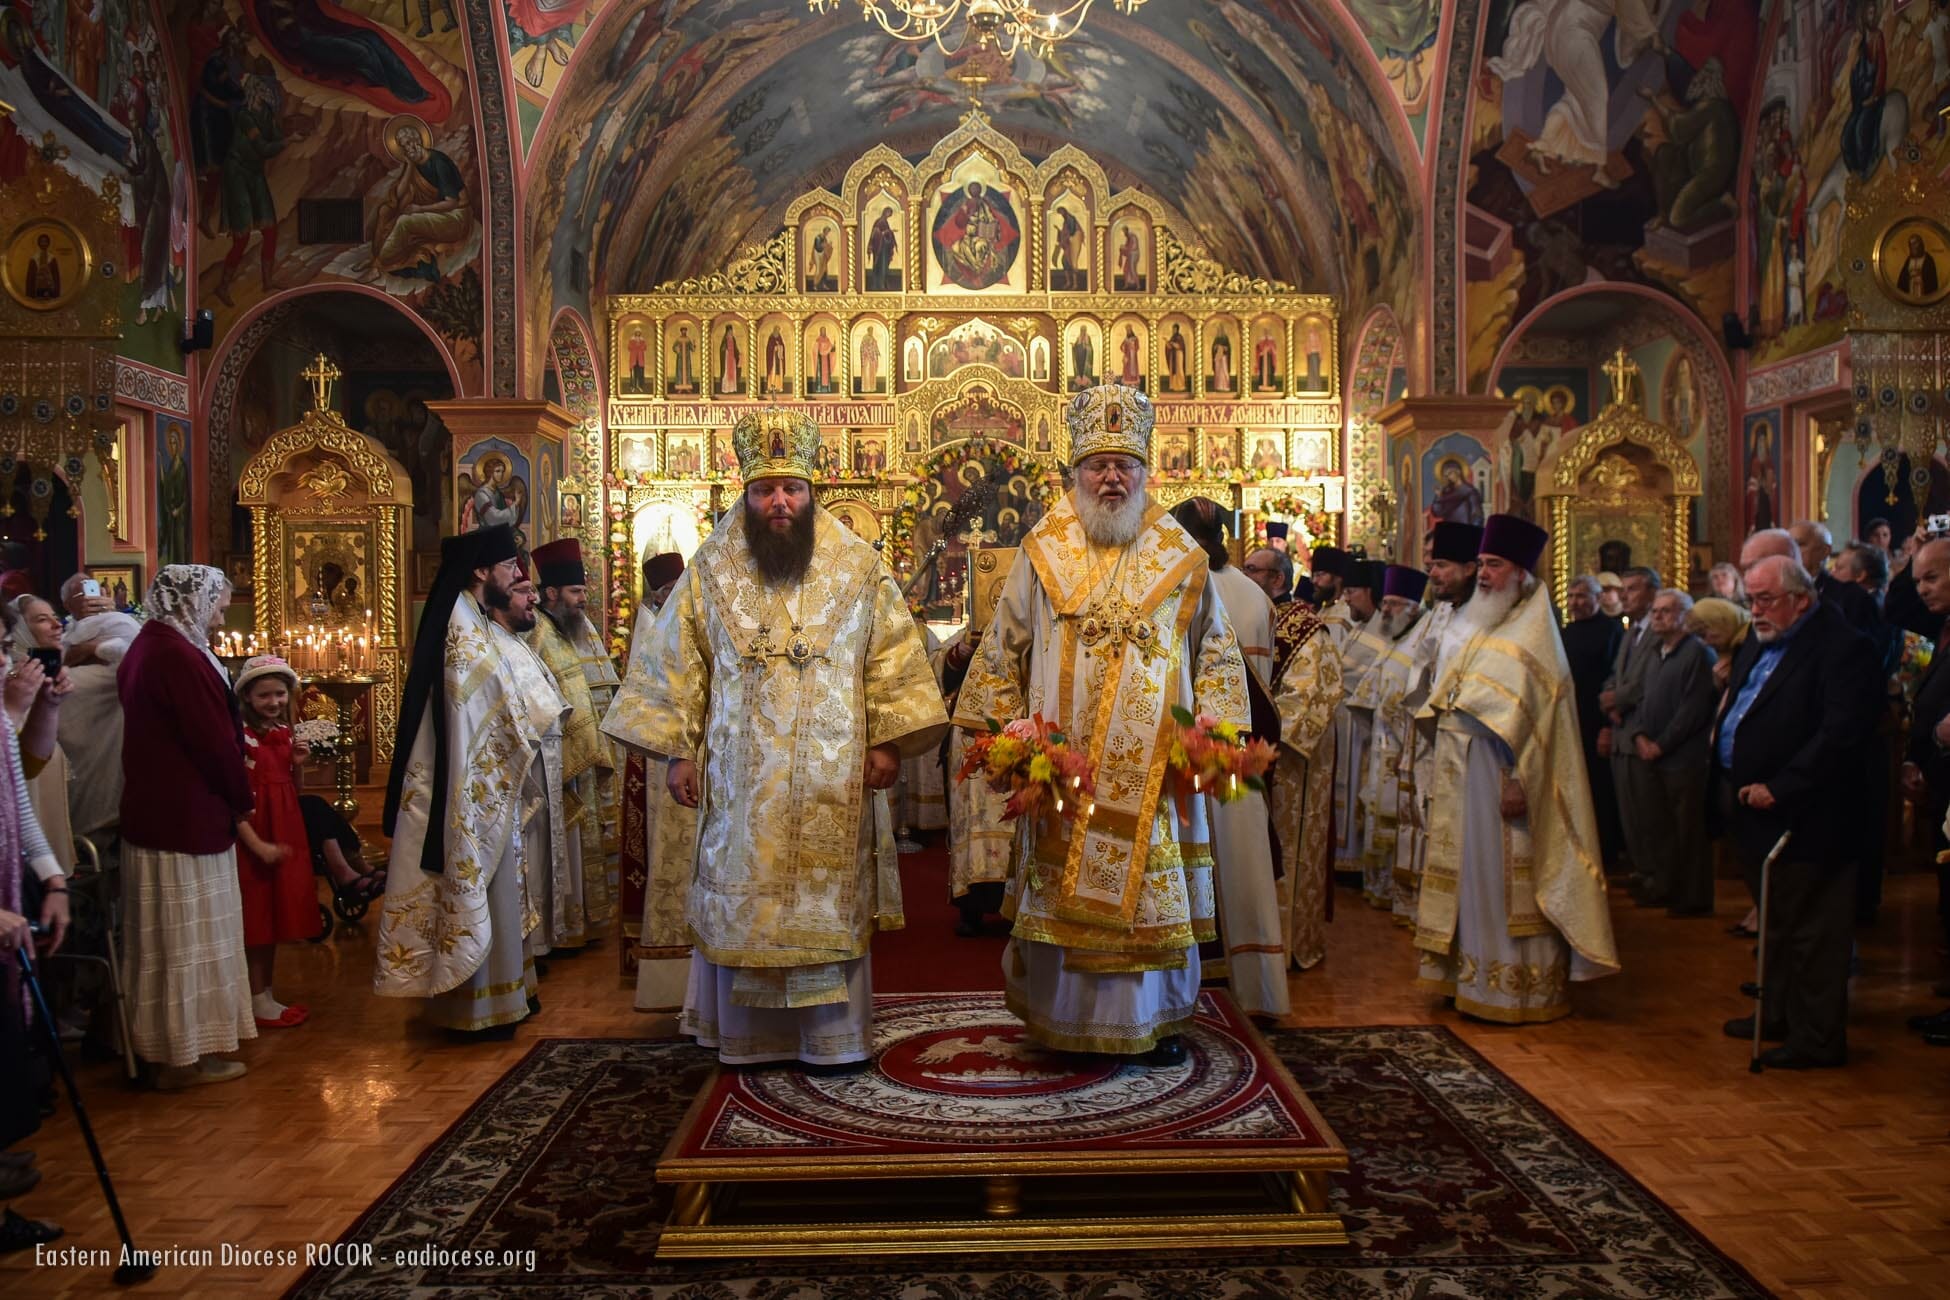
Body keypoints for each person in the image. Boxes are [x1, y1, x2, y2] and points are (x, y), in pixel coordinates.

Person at [605, 409, 947, 1069]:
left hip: (832, 779)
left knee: (827, 904)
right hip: (740, 781)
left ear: (812, 491)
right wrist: (680, 749)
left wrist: (887, 743)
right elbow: (678, 663)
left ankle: (830, 1039)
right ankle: (746, 1038)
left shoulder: (858, 567)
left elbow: (892, 659)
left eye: (791, 487)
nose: (780, 502)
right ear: (746, 493)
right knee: (743, 902)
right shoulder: (710, 568)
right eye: (765, 490)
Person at [956, 385, 1248, 1064]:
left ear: (1148, 473)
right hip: (1066, 769)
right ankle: (1065, 1022)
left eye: (1125, 464)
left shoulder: (1181, 556)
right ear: (1074, 475)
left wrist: (1214, 729)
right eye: (1097, 464)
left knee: (1150, 899)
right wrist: (1007, 740)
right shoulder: (1043, 551)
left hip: (1153, 766)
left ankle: (1157, 1022)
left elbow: (1217, 650)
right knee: (1063, 900)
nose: (1111, 477)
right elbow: (1002, 649)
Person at [1414, 514, 1619, 1022]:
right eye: (1481, 563)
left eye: (1494, 565)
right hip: (1466, 773)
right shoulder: (1485, 624)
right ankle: (1470, 977)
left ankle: (1518, 990)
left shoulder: (1533, 638)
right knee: (1469, 880)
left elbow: (1540, 731)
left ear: (1522, 574)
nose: (1483, 574)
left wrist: (1517, 780)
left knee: (1506, 886)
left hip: (1502, 779)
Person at [374, 525, 556, 1039]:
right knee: (477, 882)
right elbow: (478, 709)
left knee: (498, 884)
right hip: (467, 786)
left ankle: (508, 994)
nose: (517, 576)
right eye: (508, 567)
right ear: (482, 572)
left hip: (482, 779)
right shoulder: (460, 622)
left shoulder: (470, 617)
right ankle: (475, 1009)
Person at [1714, 556, 1879, 1067]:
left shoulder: (1843, 648)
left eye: (1765, 600)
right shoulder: (1762, 640)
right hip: (1754, 808)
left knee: (1814, 932)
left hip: (1811, 814)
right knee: (1778, 923)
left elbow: (1840, 736)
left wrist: (1782, 787)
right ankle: (1777, 1013)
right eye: (1750, 600)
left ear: (1801, 600)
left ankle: (1818, 1037)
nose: (1755, 610)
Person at [118, 566, 255, 1086]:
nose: (222, 615)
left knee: (164, 943)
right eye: (217, 604)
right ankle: (184, 1056)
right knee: (186, 944)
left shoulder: (149, 648)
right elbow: (212, 742)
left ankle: (172, 1050)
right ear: (190, 602)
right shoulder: (175, 657)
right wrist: (242, 799)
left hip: (160, 814)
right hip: (185, 817)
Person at [1172, 497, 1286, 1019]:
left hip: (1193, 747)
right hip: (1243, 750)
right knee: (1244, 866)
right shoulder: (1255, 594)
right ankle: (1256, 987)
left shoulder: (1179, 584)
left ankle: (1185, 987)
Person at [526, 539, 616, 951]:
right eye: (576, 592)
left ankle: (582, 924)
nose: (583, 600)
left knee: (583, 845)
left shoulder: (571, 629)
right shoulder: (537, 635)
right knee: (562, 847)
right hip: (555, 760)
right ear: (551, 594)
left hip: (580, 752)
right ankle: (561, 929)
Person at [618, 551, 695, 1010]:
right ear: (664, 594)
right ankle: (674, 979)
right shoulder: (656, 631)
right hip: (671, 767)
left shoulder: (666, 624)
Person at [492, 556, 577, 962]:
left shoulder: (519, 641)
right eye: (522, 593)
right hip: (528, 770)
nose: (532, 601)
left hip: (546, 761)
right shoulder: (494, 642)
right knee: (533, 853)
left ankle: (542, 939)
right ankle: (533, 943)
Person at [230, 656, 317, 1028]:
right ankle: (252, 995)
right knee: (257, 917)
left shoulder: (284, 730)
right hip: (257, 831)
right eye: (265, 695)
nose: (274, 702)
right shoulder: (243, 739)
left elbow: (292, 790)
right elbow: (237, 800)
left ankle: (264, 993)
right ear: (248, 697)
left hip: (285, 825)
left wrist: (298, 764)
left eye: (280, 694)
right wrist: (257, 845)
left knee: (277, 914)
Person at [1355, 565, 1436, 924]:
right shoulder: (1398, 639)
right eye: (1384, 603)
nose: (1385, 610)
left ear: (1413, 607)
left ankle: (1402, 894)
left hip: (1408, 747)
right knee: (1382, 815)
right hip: (1385, 744)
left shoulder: (1420, 641)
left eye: (1393, 603)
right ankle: (1381, 888)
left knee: (1403, 821)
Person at [1271, 564, 1341, 972]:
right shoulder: (1253, 612)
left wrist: (1264, 736)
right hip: (1250, 759)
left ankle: (1291, 940)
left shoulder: (1306, 628)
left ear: (1277, 578)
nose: (1244, 574)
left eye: (1252, 569)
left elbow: (1315, 691)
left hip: (1288, 765)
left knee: (1289, 849)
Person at [1632, 591, 1717, 916]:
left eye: (1666, 611)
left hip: (1684, 758)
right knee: (1660, 828)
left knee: (1688, 831)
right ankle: (1665, 887)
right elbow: (1643, 698)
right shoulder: (1656, 652)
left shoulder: (1698, 653)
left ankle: (1693, 897)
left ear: (1684, 615)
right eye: (1654, 611)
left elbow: (1692, 710)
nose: (1657, 616)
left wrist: (1661, 744)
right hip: (1652, 753)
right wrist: (1639, 734)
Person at [1601, 566, 1662, 900]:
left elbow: (1644, 682)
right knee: (1629, 811)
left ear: (1652, 592)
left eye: (1633, 589)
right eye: (1622, 589)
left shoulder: (1657, 629)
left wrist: (1617, 699)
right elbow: (1616, 674)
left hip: (1642, 729)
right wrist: (1607, 697)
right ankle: (1641, 869)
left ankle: (1657, 875)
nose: (1625, 596)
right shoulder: (1631, 630)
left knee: (1649, 811)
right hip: (1621, 730)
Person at [1560, 575, 1624, 871]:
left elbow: (1613, 681)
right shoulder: (1565, 632)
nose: (1576, 602)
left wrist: (1607, 726)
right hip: (1570, 720)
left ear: (1598, 599)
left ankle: (1607, 853)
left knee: (1601, 787)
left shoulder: (1612, 631)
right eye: (1572, 596)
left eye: (1583, 596)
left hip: (1597, 721)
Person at [1332, 560, 1387, 890]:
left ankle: (1353, 859)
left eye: (1351, 592)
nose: (1347, 599)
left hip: (1361, 732)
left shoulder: (1382, 630)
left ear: (1370, 592)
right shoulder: (1361, 628)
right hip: (1345, 726)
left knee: (1356, 788)